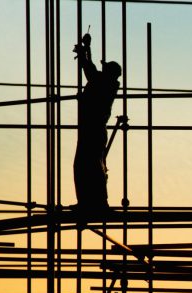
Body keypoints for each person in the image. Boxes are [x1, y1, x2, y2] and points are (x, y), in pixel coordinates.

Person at [72, 33, 121, 211]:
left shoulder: (105, 84)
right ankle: (89, 202)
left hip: (93, 131)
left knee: (89, 165)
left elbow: (90, 71)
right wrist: (86, 50)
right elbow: (91, 71)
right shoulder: (104, 82)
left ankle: (96, 202)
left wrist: (85, 51)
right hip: (90, 130)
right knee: (86, 165)